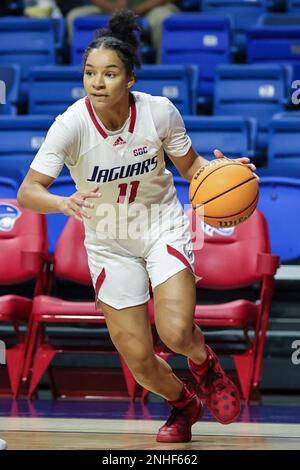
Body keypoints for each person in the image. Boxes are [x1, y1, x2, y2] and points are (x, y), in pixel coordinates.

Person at [17, 10, 256, 443]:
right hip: (108, 240)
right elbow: (27, 192)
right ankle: (184, 405)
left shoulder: (159, 112)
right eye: (90, 72)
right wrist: (61, 201)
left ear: (130, 78)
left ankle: (206, 364)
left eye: (109, 73)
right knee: (140, 359)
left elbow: (192, 167)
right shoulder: (70, 124)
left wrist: (223, 172)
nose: (97, 82)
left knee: (177, 331)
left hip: (160, 225)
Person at [59, 0, 180, 62]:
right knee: (74, 16)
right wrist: (113, 8)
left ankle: (165, 73)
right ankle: (80, 71)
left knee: (165, 19)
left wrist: (138, 9)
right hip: (108, 7)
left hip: (153, 7)